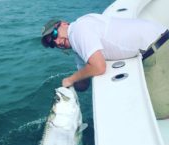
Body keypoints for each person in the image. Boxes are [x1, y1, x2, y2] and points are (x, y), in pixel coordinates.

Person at [41, 14, 169, 119]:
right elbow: (84, 84)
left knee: (156, 110)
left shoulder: (77, 30)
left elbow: (99, 67)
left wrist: (70, 79)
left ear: (63, 24)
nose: (57, 42)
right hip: (154, 45)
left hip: (158, 46)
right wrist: (69, 89)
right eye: (52, 44)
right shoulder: (78, 47)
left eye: (54, 34)